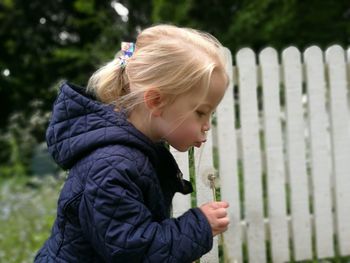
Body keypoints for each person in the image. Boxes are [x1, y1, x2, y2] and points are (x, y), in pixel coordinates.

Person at [34, 24, 230, 263]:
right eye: (201, 112)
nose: (207, 125)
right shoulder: (111, 166)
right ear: (156, 101)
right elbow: (134, 252)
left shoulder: (134, 153)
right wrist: (199, 226)